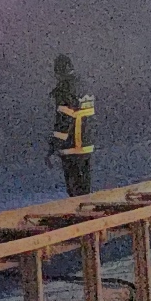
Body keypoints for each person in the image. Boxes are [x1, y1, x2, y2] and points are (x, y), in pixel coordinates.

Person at [48, 56, 98, 198]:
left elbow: (64, 120)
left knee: (74, 189)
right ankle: (87, 211)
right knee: (85, 185)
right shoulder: (85, 85)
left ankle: (80, 217)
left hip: (72, 146)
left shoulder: (65, 89)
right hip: (87, 143)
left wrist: (54, 145)